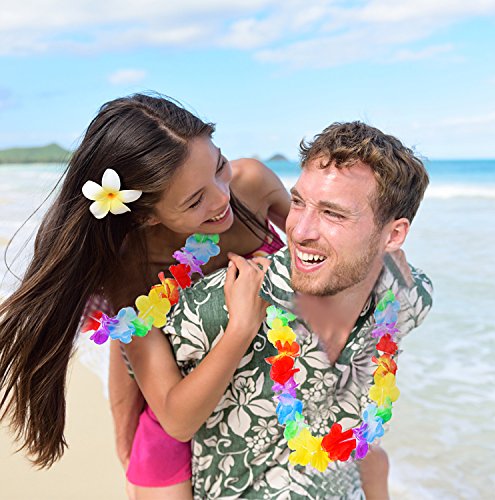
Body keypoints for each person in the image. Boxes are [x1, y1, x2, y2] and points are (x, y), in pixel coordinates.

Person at [0, 93, 290, 498]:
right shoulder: (132, 265)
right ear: (147, 215)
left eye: (219, 165)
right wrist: (241, 327)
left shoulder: (253, 185)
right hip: (180, 411)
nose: (222, 197)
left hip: (277, 396)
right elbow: (173, 414)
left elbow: (319, 252)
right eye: (194, 200)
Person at [127, 121, 433, 499]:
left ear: (395, 235)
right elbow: (155, 399)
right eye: (299, 202)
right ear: (149, 215)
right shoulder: (191, 310)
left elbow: (325, 252)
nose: (300, 228)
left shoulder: (407, 293)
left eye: (332, 213)